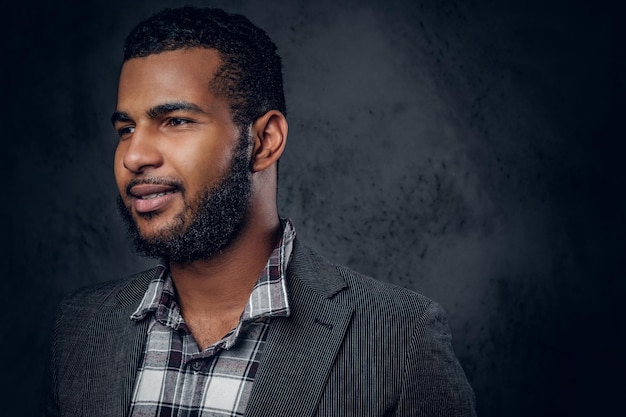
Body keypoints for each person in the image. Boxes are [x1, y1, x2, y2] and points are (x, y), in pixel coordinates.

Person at [44, 6, 476, 417]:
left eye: (176, 120)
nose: (134, 155)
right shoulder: (82, 326)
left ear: (265, 141)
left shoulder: (398, 339)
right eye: (126, 129)